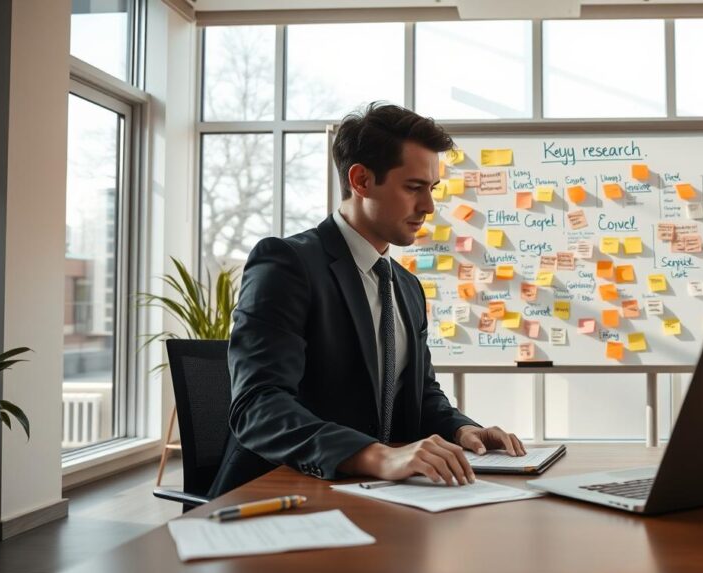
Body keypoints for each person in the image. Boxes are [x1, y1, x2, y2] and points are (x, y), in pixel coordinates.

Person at [208, 103, 524, 498]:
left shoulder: (406, 286)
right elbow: (259, 407)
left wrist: (463, 429)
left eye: (432, 189)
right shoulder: (287, 264)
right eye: (414, 187)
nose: (428, 206)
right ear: (360, 180)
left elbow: (421, 396)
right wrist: (377, 456)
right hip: (281, 495)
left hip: (383, 496)